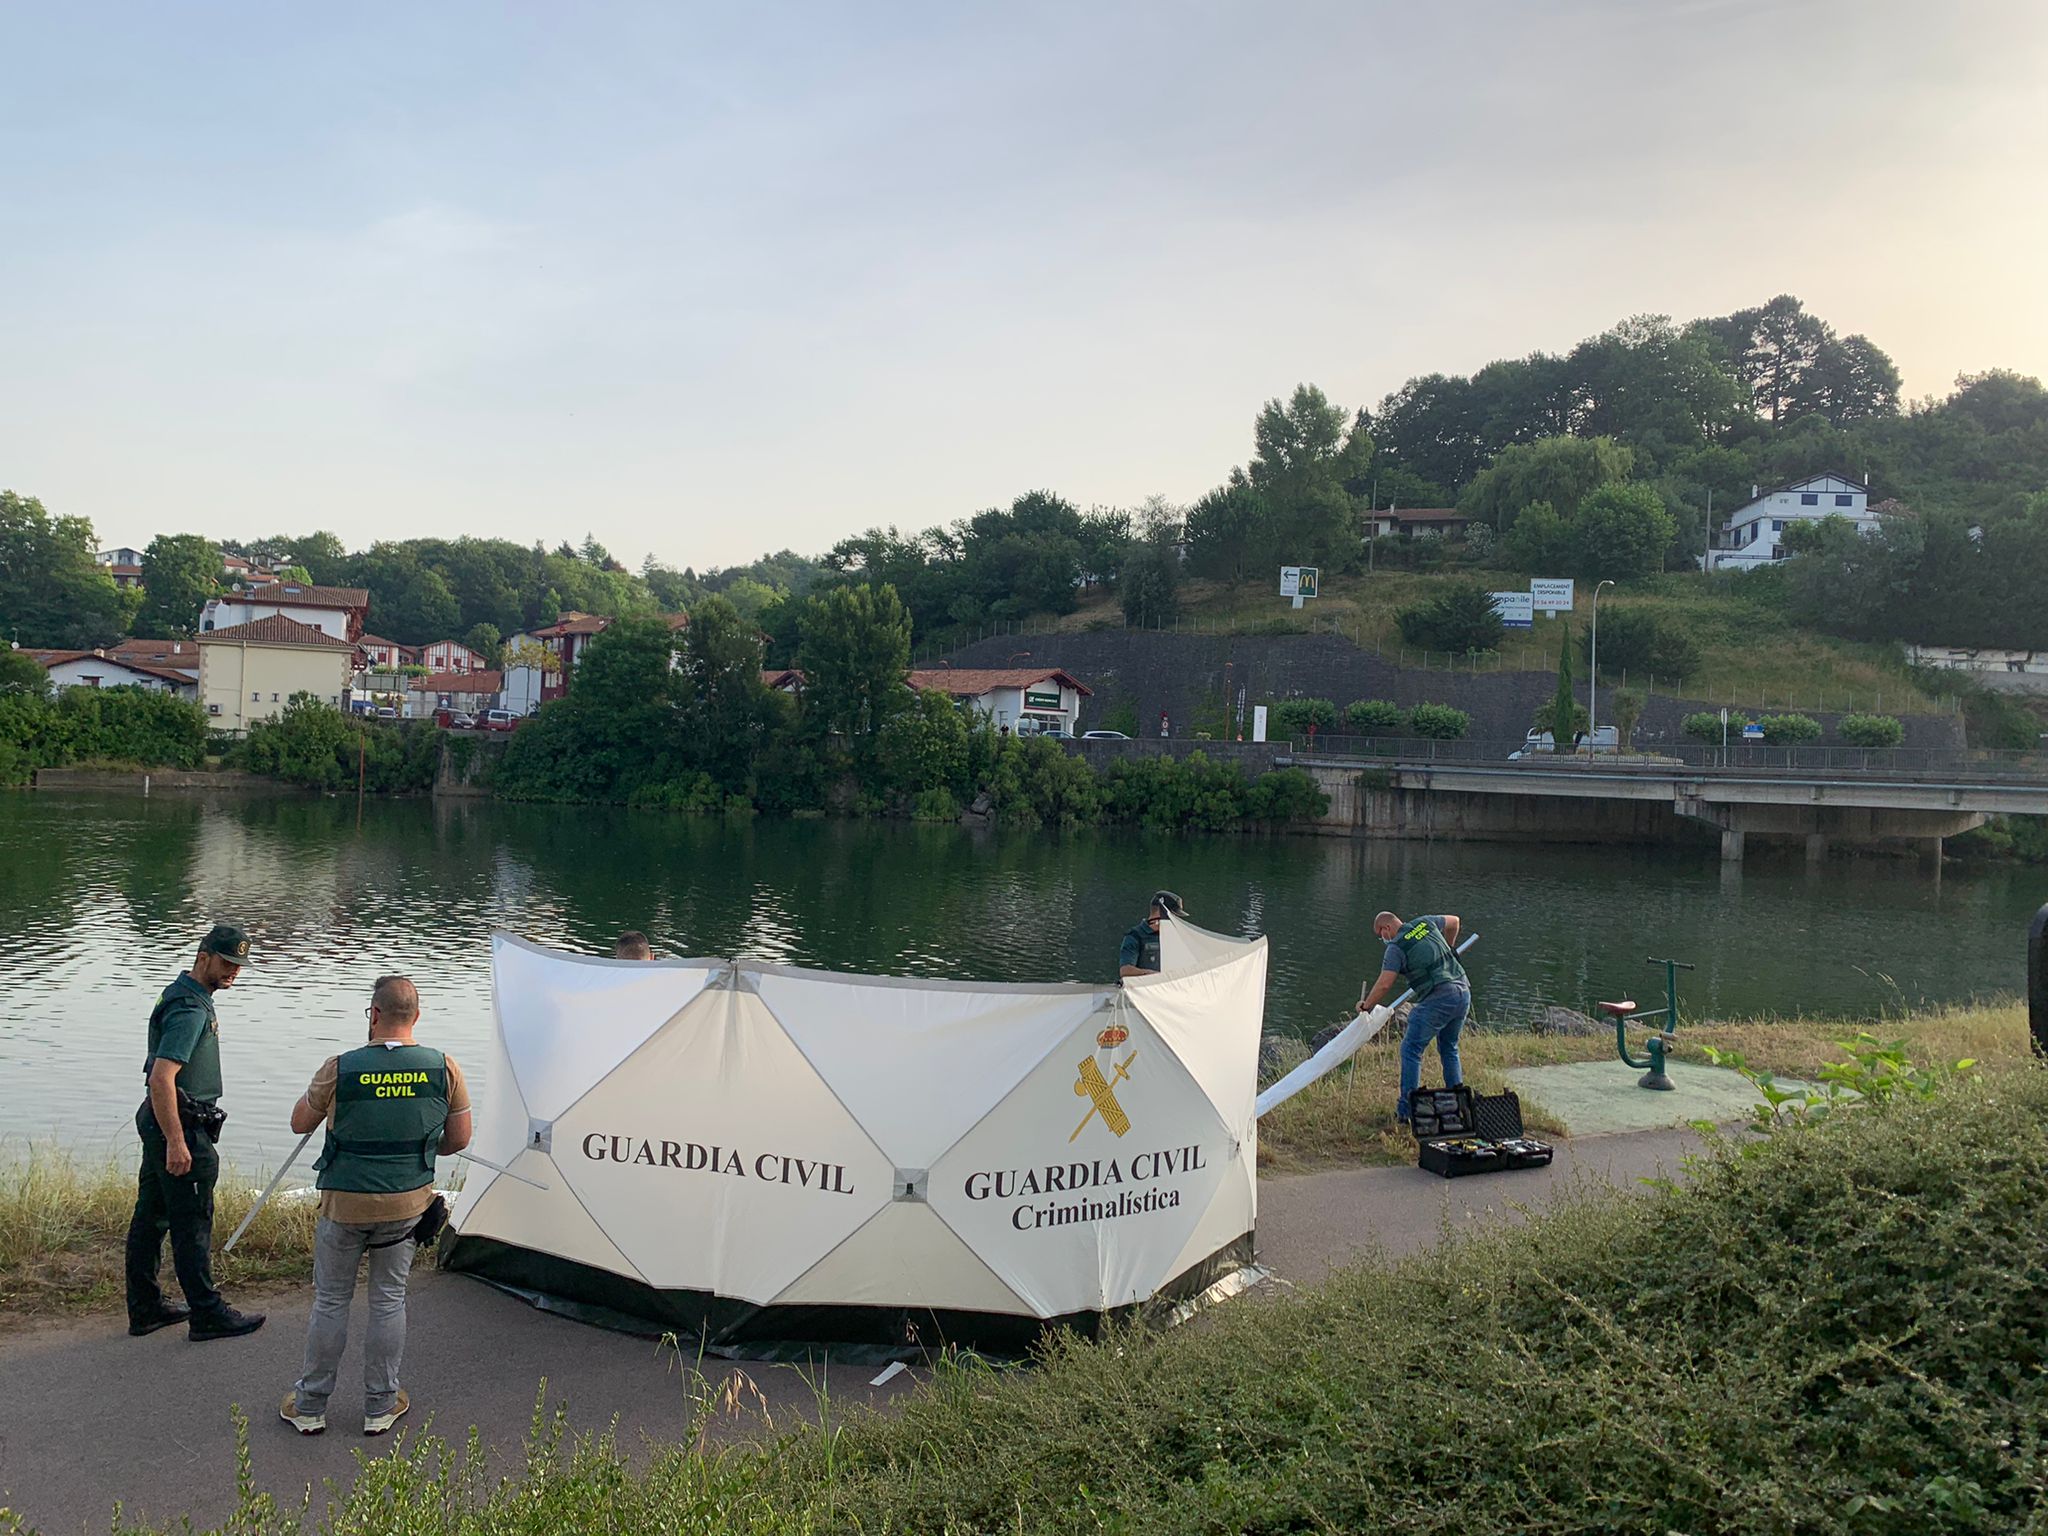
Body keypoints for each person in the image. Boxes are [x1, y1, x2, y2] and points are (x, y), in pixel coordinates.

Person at [279, 974, 471, 1437]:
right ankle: (381, 1405)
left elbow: (299, 1122)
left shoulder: (340, 1067)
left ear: (375, 1014)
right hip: (406, 1208)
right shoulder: (444, 1068)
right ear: (417, 1016)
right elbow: (459, 1139)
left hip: (344, 1206)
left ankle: (310, 1406)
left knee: (331, 1301)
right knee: (388, 1300)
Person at [125, 922, 267, 1341]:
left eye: (239, 965)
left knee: (151, 1217)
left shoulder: (182, 994)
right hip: (180, 1123)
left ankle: (146, 1308)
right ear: (203, 956)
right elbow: (161, 1077)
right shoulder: (189, 1008)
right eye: (226, 962)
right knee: (192, 1224)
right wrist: (176, 1141)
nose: (234, 972)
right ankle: (207, 1314)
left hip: (163, 1118)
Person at [1358, 911, 1469, 1124]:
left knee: (1411, 1049)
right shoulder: (1425, 923)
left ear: (1386, 928)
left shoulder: (1396, 947)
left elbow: (1385, 983)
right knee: (1449, 1048)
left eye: (1380, 935)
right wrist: (1450, 948)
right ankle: (1459, 1104)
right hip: (1463, 991)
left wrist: (1366, 1005)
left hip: (1439, 997)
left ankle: (1407, 1111)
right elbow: (1455, 921)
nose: (1382, 939)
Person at [1118, 891, 1186, 978]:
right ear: (1163, 913)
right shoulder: (1135, 936)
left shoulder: (1177, 937)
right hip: (1146, 986)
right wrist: (1158, 976)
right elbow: (1126, 971)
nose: (1176, 921)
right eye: (1174, 916)